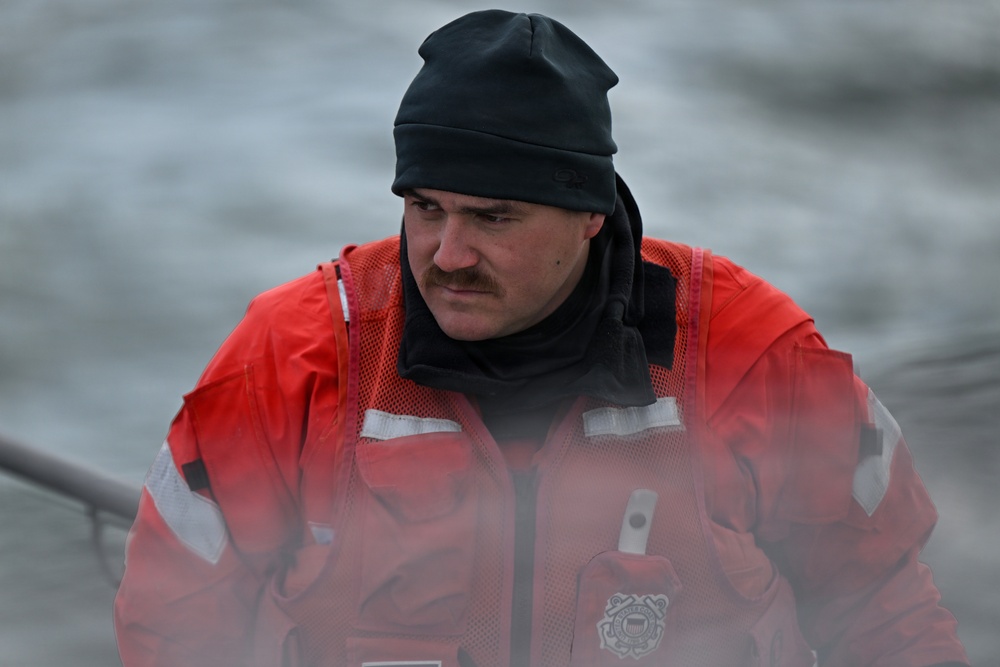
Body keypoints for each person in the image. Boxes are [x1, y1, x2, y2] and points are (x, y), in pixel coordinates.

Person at [114, 10, 970, 667]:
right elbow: (173, 619)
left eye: (493, 217)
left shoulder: (755, 354)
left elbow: (883, 607)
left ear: (590, 213)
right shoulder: (290, 354)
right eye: (425, 208)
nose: (446, 255)